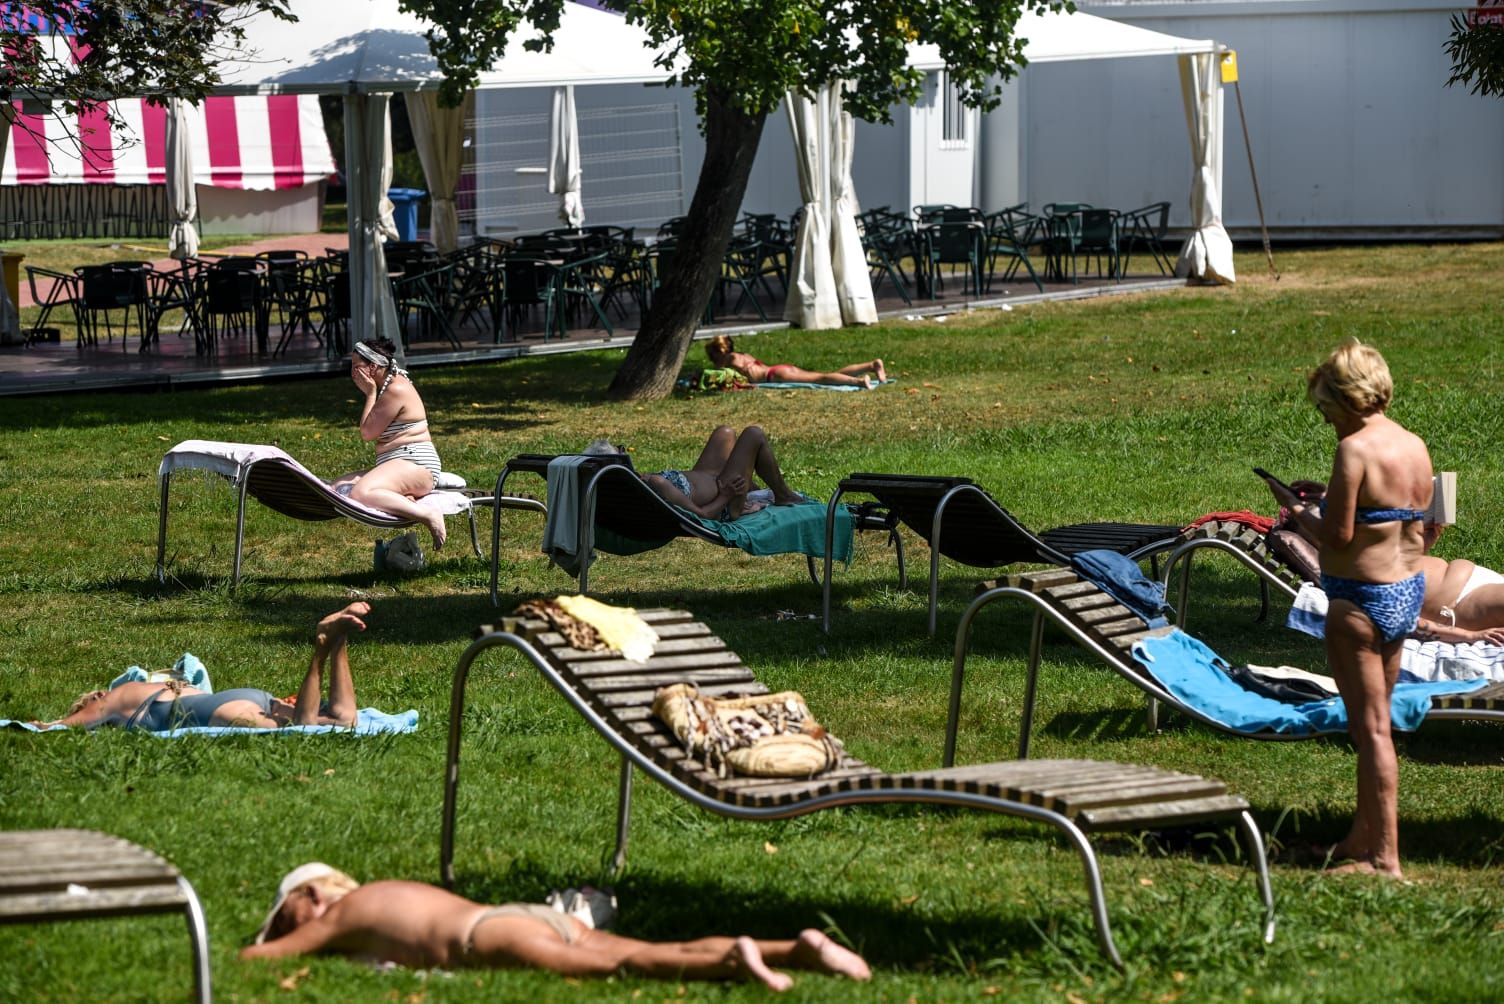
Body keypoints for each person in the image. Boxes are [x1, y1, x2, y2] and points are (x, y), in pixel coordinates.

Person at [1261, 338, 1432, 879]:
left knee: (1373, 730)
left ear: (1344, 399)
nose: (1326, 420)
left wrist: (1295, 511)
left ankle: (1385, 860)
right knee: (1368, 728)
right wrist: (1331, 498)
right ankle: (1362, 838)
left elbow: (1335, 538)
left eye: (1325, 408)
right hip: (1405, 594)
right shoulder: (1414, 444)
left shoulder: (1353, 450)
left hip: (1359, 601)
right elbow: (1421, 522)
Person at [241, 864, 871, 992]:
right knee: (645, 949)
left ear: (311, 892)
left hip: (487, 938)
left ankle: (730, 963)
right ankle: (799, 948)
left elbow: (262, 960)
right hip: (529, 917)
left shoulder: (342, 913)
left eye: (283, 916)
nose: (285, 929)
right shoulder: (382, 891)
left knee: (620, 968)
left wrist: (256, 950)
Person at [34, 604, 371, 731]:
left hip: (215, 709)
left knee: (304, 726)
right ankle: (339, 641)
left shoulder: (122, 696)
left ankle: (323, 647)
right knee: (344, 720)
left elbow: (67, 725)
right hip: (241, 698)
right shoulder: (158, 688)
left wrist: (48, 724)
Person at [330, 338, 447, 549]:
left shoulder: (395, 389)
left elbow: (367, 432)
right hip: (398, 463)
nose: (353, 374)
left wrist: (370, 393)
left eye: (357, 367)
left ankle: (428, 515)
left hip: (415, 464)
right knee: (337, 488)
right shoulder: (388, 385)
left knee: (360, 493)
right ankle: (402, 496)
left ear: (373, 367)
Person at [644, 425, 803, 521]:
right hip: (727, 503)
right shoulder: (656, 484)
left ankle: (752, 489)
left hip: (713, 479)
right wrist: (726, 496)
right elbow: (702, 515)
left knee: (725, 432)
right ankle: (783, 495)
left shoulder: (643, 482)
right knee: (753, 434)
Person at [705, 334, 886, 389]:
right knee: (823, 376)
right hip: (779, 370)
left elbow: (718, 373)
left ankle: (859, 382)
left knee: (820, 379)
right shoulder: (742, 354)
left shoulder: (730, 359)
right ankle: (871, 366)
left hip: (774, 375)